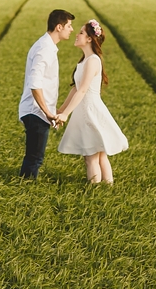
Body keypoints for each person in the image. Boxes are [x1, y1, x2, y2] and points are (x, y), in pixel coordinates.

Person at [55, 19, 129, 183]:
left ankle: (96, 191)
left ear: (89, 38)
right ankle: (107, 189)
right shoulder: (84, 61)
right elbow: (75, 88)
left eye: (81, 32)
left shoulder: (93, 61)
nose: (77, 34)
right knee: (99, 155)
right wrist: (61, 110)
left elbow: (83, 90)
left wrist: (66, 114)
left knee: (91, 158)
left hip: (90, 111)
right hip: (85, 110)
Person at [18, 9, 75, 179]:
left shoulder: (47, 46)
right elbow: (35, 84)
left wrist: (51, 109)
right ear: (59, 27)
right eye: (69, 26)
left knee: (35, 157)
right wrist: (47, 112)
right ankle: (25, 188)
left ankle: (25, 185)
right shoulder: (44, 49)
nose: (71, 29)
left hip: (38, 111)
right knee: (35, 158)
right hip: (36, 112)